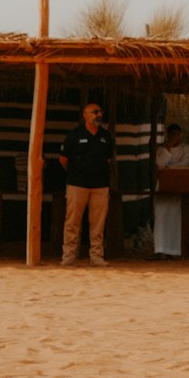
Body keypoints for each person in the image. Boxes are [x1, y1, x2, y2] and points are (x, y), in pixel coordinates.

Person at [59, 101, 115, 267]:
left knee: (98, 224)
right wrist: (77, 174)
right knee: (72, 222)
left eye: (100, 112)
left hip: (100, 186)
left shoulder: (106, 136)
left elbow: (108, 159)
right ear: (85, 115)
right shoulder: (74, 135)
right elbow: (63, 159)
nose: (99, 115)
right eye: (95, 112)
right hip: (77, 185)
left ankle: (96, 256)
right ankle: (69, 255)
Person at [153, 123, 189, 259]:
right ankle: (160, 250)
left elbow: (185, 164)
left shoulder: (185, 149)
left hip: (177, 185)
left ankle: (175, 251)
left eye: (177, 134)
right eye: (173, 134)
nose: (176, 137)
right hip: (163, 186)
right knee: (161, 219)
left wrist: (169, 168)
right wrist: (168, 148)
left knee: (175, 219)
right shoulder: (161, 149)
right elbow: (159, 164)